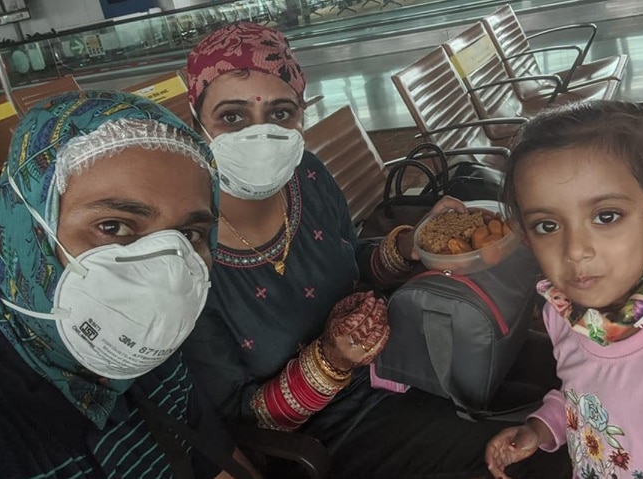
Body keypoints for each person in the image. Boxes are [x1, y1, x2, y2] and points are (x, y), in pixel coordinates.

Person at [181, 22, 567, 478]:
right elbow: (240, 420)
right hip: (333, 430)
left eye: (282, 113)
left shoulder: (306, 174)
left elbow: (349, 261)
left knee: (567, 381)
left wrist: (409, 246)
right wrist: (331, 359)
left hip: (399, 356)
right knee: (536, 460)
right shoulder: (188, 261)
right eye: (232, 117)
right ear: (195, 123)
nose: (260, 135)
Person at [0, 90, 250, 479]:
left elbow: (219, 466)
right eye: (113, 227)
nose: (164, 276)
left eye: (190, 234)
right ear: (29, 230)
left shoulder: (150, 357)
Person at [484, 100, 643, 478]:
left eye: (605, 216)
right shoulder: (564, 317)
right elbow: (585, 396)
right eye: (547, 225)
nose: (576, 250)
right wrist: (542, 427)